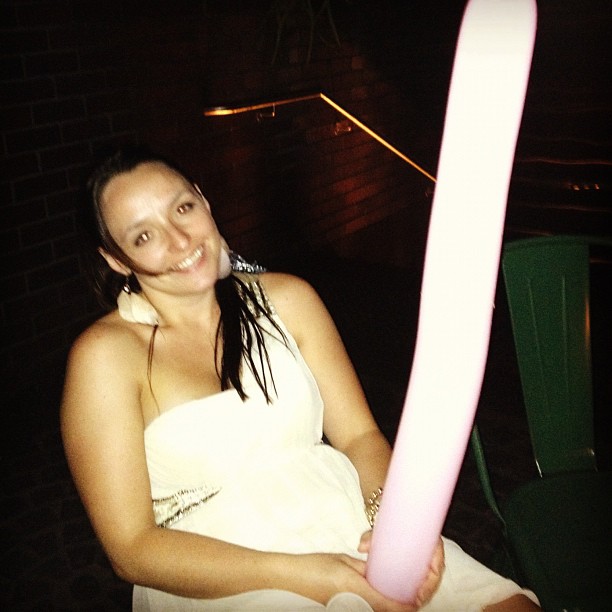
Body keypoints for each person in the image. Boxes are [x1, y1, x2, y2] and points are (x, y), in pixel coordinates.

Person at [61, 148, 540, 611]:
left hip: (345, 516)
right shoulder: (105, 357)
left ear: (204, 201)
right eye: (143, 236)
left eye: (183, 208)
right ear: (117, 260)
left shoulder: (289, 299)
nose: (181, 241)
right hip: (226, 571)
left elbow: (359, 435)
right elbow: (132, 548)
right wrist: (314, 574)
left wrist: (398, 527)